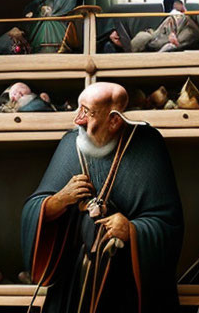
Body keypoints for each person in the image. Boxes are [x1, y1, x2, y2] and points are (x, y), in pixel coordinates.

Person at [20, 82, 184, 312]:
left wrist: (132, 230)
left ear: (114, 120)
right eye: (79, 109)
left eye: (87, 112)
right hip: (75, 284)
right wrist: (59, 200)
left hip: (125, 287)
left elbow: (169, 223)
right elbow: (33, 208)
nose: (77, 119)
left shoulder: (148, 144)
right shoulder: (71, 143)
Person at [128, 0, 199, 53]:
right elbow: (157, 32)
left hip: (169, 43)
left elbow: (176, 42)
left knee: (169, 46)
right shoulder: (170, 19)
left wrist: (172, 37)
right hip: (156, 38)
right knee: (142, 38)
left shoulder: (189, 25)